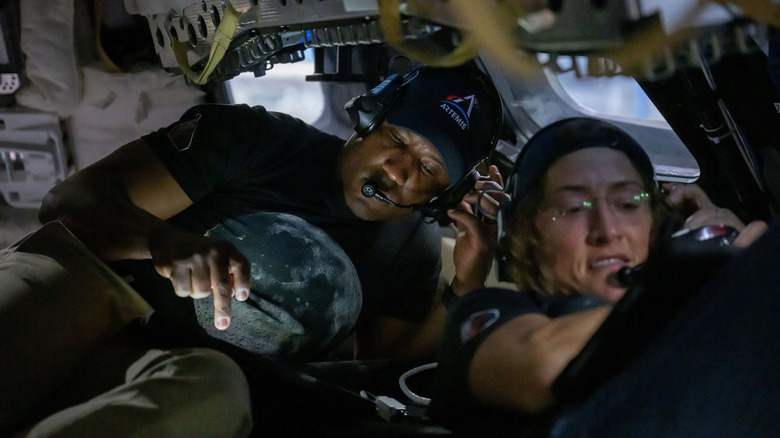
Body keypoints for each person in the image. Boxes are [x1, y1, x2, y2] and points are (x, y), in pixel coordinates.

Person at [38, 62, 505, 362]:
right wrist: (162, 242)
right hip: (85, 317)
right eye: (399, 140)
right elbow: (65, 206)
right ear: (369, 116)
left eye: (428, 167)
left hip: (219, 399)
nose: (400, 171)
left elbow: (385, 370)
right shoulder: (253, 140)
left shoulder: (411, 251)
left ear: (442, 195)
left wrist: (467, 284)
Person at [428, 117, 776, 434]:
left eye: (628, 203)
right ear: (524, 232)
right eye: (573, 208)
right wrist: (723, 277)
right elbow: (540, 364)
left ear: (659, 226)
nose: (607, 231)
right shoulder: (487, 312)